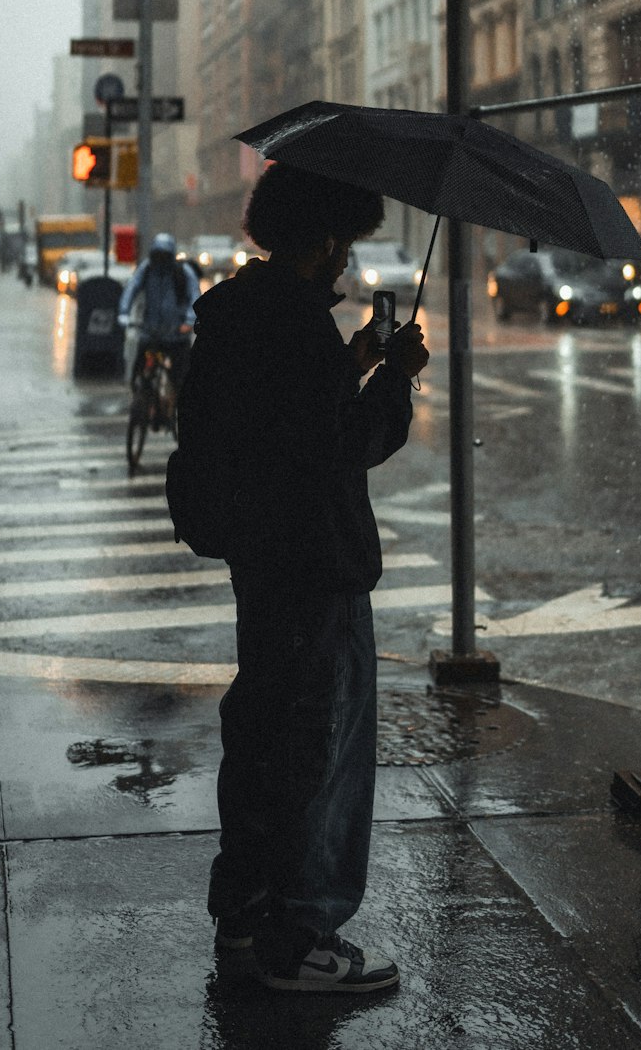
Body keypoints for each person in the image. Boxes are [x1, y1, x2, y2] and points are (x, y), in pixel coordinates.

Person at [177, 163, 428, 994]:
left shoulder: (239, 313)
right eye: (346, 245)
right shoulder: (291, 326)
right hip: (315, 565)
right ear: (320, 239)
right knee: (317, 748)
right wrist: (393, 381)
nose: (348, 264)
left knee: (262, 733)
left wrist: (351, 361)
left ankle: (247, 914)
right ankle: (302, 937)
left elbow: (283, 426)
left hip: (264, 561)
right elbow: (336, 445)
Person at [117, 232, 200, 388]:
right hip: (150, 332)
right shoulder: (147, 269)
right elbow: (131, 289)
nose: (161, 259)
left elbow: (195, 297)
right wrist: (124, 313)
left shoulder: (183, 272)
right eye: (158, 254)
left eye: (165, 255)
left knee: (181, 380)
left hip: (176, 335)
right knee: (139, 375)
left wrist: (189, 321)